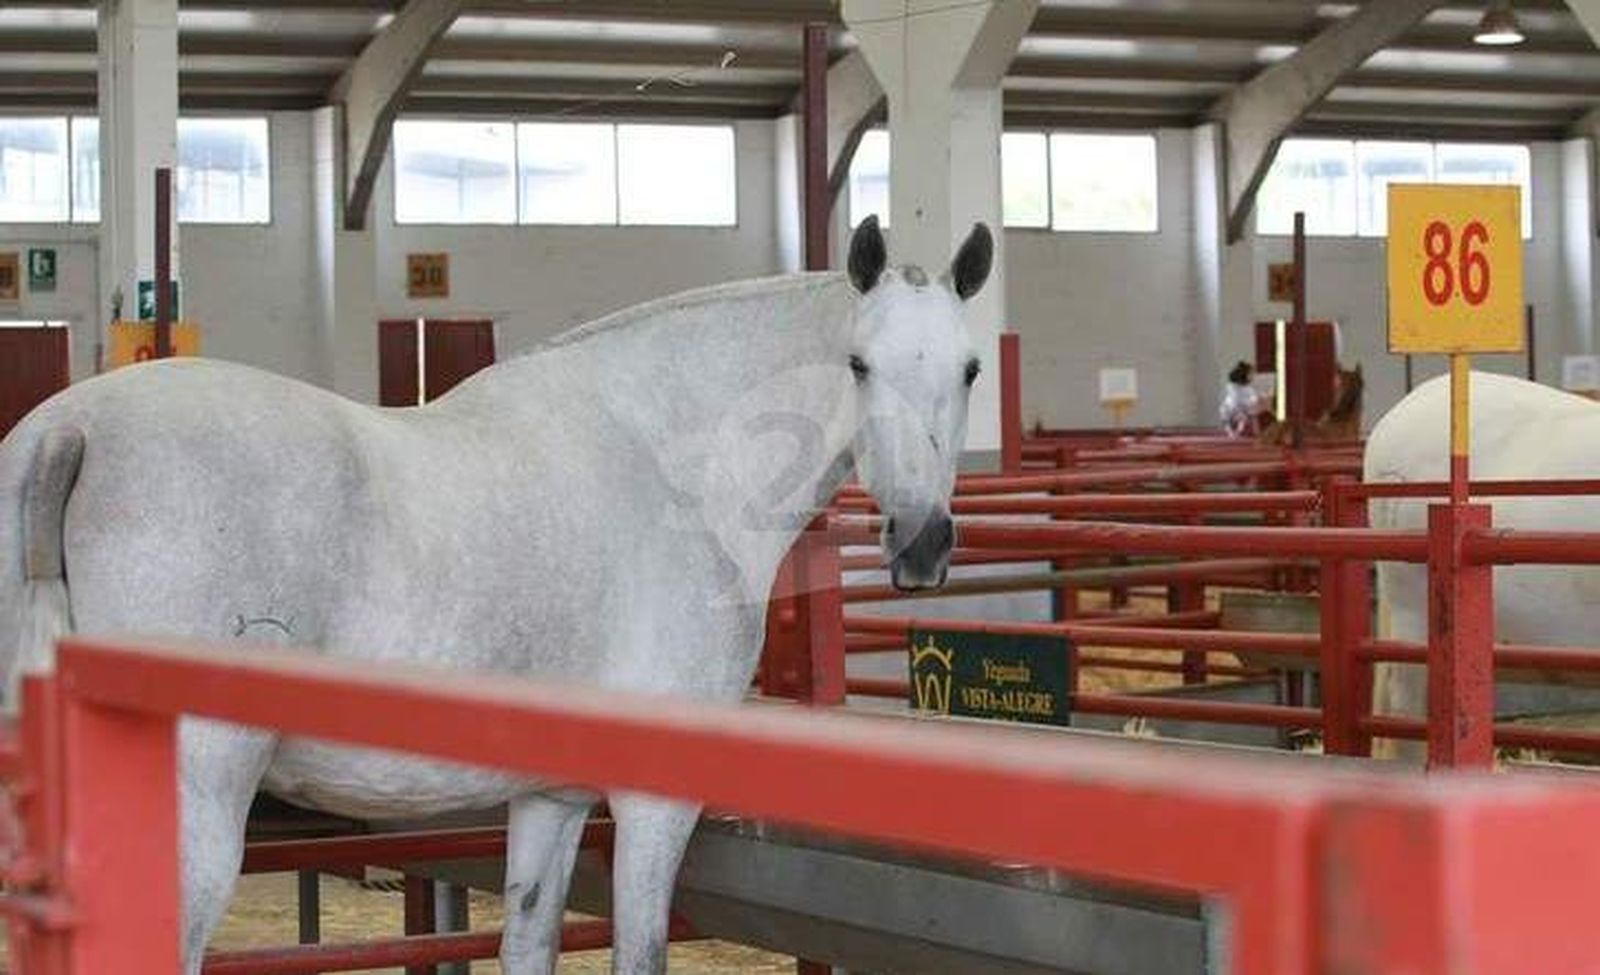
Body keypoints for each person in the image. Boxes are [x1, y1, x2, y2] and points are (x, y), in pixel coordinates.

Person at [1219, 360, 1264, 437]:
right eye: (1251, 374)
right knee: (1245, 414)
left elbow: (1236, 398)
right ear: (1245, 375)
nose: (1253, 376)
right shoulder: (1244, 388)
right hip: (1237, 408)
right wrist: (1255, 399)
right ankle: (1235, 430)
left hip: (1231, 408)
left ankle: (1233, 430)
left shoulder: (1232, 386)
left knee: (1227, 413)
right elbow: (1250, 399)